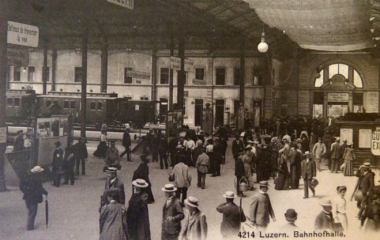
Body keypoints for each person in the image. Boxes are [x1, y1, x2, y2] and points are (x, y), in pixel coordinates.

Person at [19, 166, 48, 230]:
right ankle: (30, 226)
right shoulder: (37, 179)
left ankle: (30, 225)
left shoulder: (28, 177)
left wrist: (25, 191)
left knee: (30, 210)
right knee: (33, 211)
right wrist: (45, 192)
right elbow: (40, 188)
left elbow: (21, 185)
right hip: (34, 197)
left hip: (27, 196)